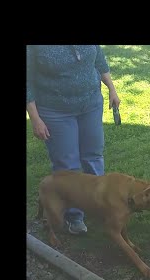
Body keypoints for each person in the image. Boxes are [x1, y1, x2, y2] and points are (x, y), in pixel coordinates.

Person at [26, 45, 120, 234]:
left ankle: (100, 206)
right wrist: (35, 118)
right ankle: (74, 217)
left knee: (93, 156)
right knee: (67, 165)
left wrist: (111, 87)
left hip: (91, 103)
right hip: (54, 111)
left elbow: (98, 59)